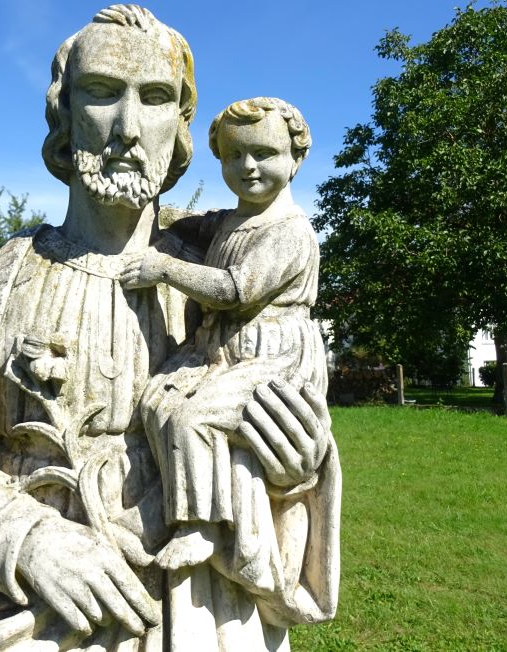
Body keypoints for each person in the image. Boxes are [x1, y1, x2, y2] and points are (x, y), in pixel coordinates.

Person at [0, 7, 339, 651]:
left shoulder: (210, 267)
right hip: (56, 610)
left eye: (156, 98)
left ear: (182, 127)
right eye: (104, 92)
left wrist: (298, 467)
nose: (129, 128)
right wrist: (30, 540)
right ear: (65, 113)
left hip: (201, 608)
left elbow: (286, 427)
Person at [121, 97, 327, 588]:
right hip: (220, 350)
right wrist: (167, 237)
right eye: (234, 157)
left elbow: (237, 289)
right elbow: (188, 226)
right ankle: (166, 506)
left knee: (196, 416)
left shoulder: (291, 231)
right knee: (156, 401)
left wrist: (165, 268)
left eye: (264, 154)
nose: (247, 167)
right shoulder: (229, 220)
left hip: (271, 358)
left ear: (296, 159)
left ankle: (205, 526)